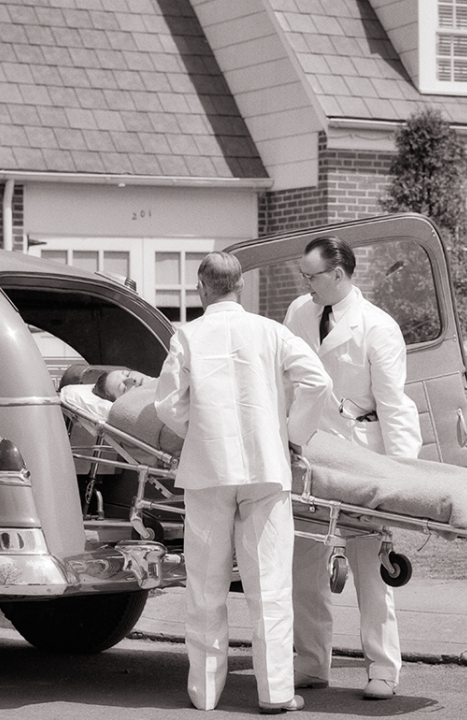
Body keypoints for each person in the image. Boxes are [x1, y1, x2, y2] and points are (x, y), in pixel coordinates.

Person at [154, 252, 332, 714]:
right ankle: (274, 692)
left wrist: (198, 429)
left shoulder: (187, 335)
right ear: (241, 288)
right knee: (269, 586)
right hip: (265, 469)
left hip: (208, 470)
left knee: (205, 586)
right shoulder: (272, 332)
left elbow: (166, 405)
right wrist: (290, 435)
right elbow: (317, 382)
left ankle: (205, 693)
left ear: (201, 288)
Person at [284, 236, 423, 701]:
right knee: (303, 564)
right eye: (303, 276)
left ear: (338, 275)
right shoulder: (299, 313)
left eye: (312, 276)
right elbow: (287, 382)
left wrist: (401, 473)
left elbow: (395, 405)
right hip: (309, 452)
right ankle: (310, 663)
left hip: (362, 455)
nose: (305, 284)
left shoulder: (378, 327)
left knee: (368, 567)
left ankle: (382, 669)